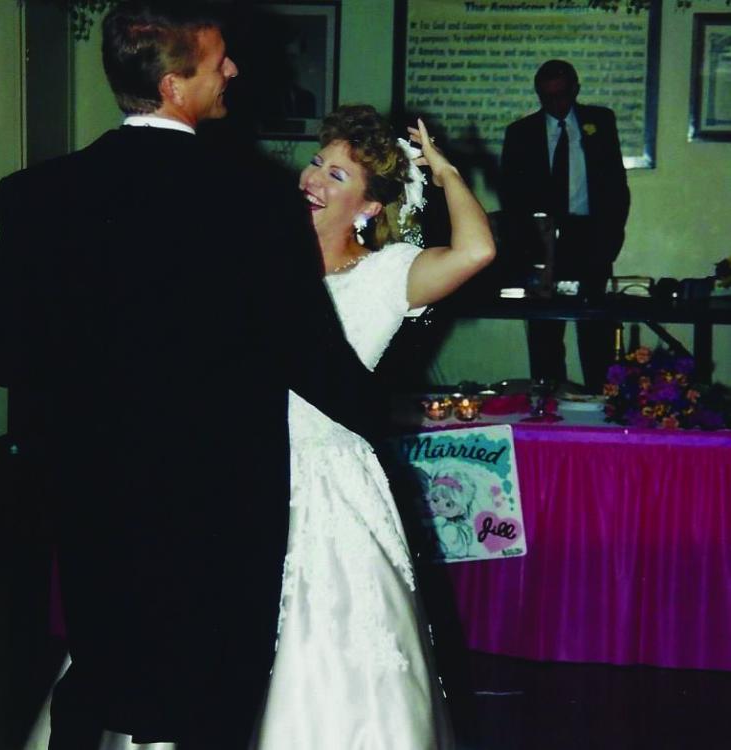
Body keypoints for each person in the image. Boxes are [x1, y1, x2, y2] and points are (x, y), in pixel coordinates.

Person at [0, 3, 380, 748]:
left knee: (100, 662)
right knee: (215, 682)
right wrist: (392, 420)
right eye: (219, 60)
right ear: (173, 86)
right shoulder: (257, 198)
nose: (234, 70)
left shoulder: (35, 193)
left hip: (90, 483)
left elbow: (6, 352)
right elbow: (309, 354)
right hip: (220, 490)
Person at [251, 104, 496, 749]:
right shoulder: (264, 261)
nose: (313, 181)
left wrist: (443, 171)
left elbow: (477, 250)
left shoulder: (389, 275)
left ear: (368, 206)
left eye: (336, 175)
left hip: (331, 473)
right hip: (246, 464)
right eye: (315, 163)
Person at [501, 59, 630, 393]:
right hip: (541, 243)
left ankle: (603, 403)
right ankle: (549, 404)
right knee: (544, 331)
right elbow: (510, 196)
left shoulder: (600, 122)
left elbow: (616, 186)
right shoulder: (520, 133)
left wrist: (610, 239)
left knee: (595, 332)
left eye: (561, 95)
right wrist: (523, 247)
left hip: (590, 238)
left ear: (575, 90)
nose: (555, 105)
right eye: (547, 97)